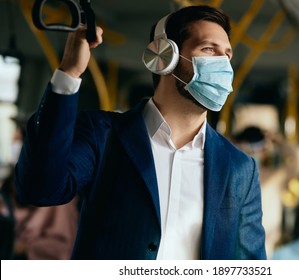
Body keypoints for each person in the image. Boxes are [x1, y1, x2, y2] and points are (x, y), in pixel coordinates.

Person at [15, 5, 266, 260]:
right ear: (165, 56)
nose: (223, 65)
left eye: (227, 55)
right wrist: (69, 72)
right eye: (209, 49)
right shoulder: (103, 135)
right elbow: (39, 189)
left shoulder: (239, 167)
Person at [231, 107, 299, 256]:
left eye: (257, 147)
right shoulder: (227, 173)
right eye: (247, 146)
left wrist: (277, 140)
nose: (252, 152)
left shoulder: (275, 176)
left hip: (265, 251)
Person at [2, 117, 79, 260]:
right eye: (14, 140)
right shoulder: (7, 185)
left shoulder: (59, 193)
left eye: (18, 140)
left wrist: (21, 247)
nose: (14, 145)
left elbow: (64, 246)